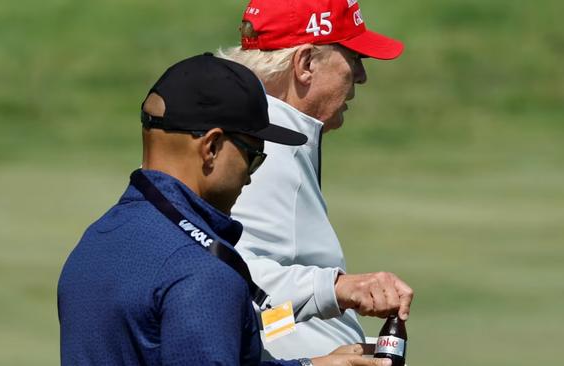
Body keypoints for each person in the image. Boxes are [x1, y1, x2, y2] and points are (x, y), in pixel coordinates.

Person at [57, 54, 392, 366]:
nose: (249, 175)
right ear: (212, 148)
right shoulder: (202, 275)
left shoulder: (97, 240)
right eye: (252, 155)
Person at [218, 0, 414, 359]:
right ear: (306, 64)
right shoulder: (262, 150)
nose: (361, 76)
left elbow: (259, 316)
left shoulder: (260, 134)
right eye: (354, 58)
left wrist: (326, 351)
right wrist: (336, 297)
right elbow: (226, 288)